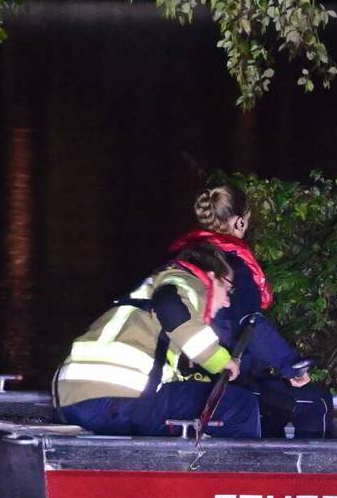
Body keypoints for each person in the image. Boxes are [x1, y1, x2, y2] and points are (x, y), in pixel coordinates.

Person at [54, 184, 316, 437]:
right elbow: (179, 310)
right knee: (240, 406)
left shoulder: (167, 271)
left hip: (71, 396)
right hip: (117, 398)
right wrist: (222, 360)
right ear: (213, 277)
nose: (227, 301)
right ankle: (241, 480)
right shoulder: (194, 281)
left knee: (197, 402)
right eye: (228, 291)